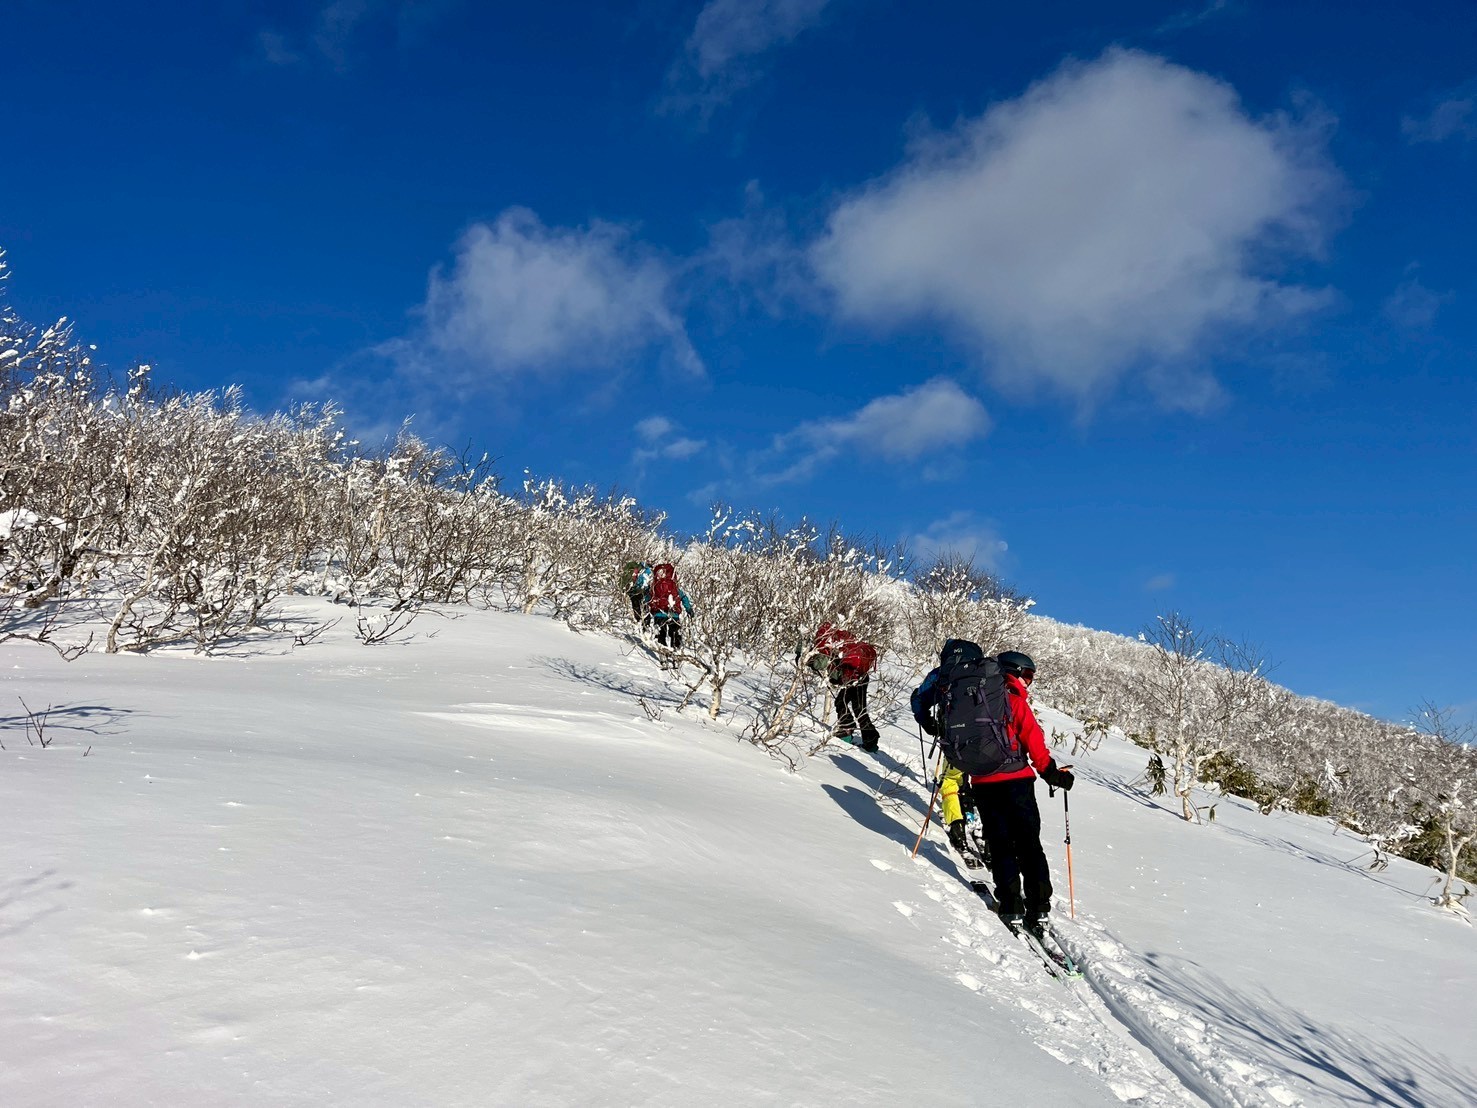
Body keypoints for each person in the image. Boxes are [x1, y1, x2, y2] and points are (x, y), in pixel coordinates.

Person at [911, 643, 1074, 935]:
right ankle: (1038, 908)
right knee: (1028, 844)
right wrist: (1052, 774)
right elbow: (1033, 739)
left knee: (999, 844)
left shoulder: (963, 697)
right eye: (1028, 676)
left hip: (983, 782)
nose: (1029, 681)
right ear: (1015, 673)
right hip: (1017, 781)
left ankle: (1010, 906)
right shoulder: (1011, 699)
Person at [812, 622, 879, 752]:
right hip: (858, 675)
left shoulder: (830, 643)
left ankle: (856, 734)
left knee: (853, 707)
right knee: (852, 706)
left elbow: (824, 663)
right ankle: (858, 735)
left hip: (853, 676)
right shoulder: (841, 638)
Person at [643, 562, 692, 654]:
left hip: (658, 614)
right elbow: (684, 597)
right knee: (675, 634)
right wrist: (689, 609)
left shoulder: (655, 586)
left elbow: (648, 598)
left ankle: (663, 653)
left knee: (661, 634)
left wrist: (646, 607)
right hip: (674, 614)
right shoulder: (674, 587)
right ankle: (676, 652)